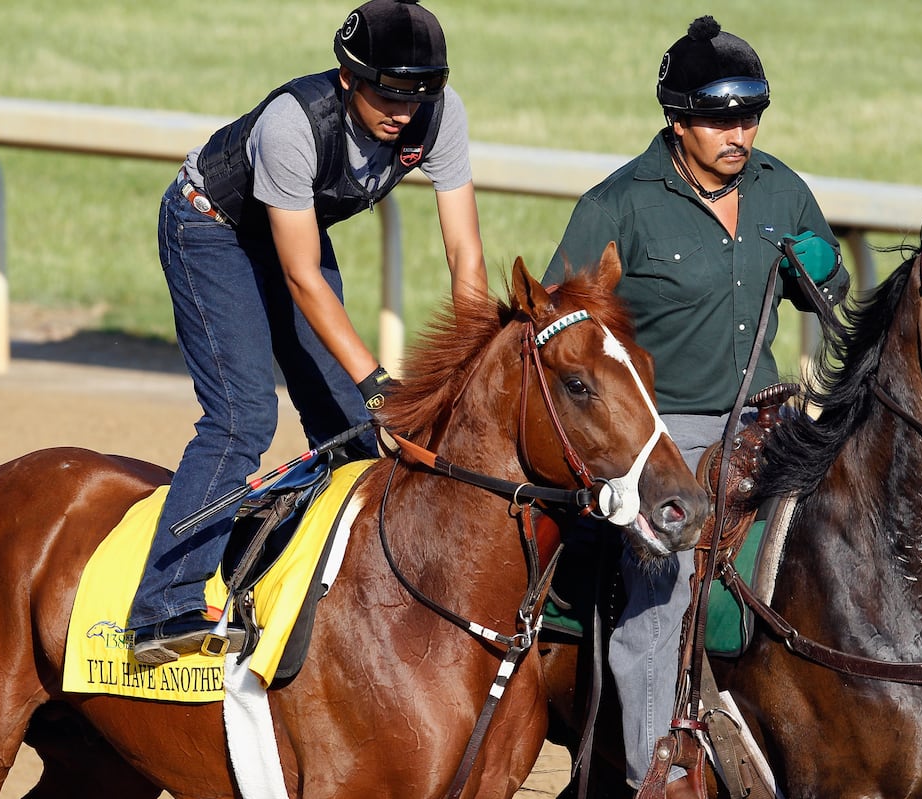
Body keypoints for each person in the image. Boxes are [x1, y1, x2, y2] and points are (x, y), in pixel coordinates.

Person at [542, 16, 849, 797]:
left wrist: (824, 271)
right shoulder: (617, 204)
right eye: (720, 119)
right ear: (677, 120)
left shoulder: (782, 188)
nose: (739, 132)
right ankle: (655, 772)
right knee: (663, 591)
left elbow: (832, 292)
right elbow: (561, 329)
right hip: (660, 432)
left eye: (750, 116)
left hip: (770, 420)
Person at [129, 0, 487, 665]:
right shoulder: (294, 123)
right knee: (243, 417)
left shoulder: (445, 114)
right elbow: (301, 278)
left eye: (419, 95)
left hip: (294, 226)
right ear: (348, 77)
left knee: (349, 427)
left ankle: (352, 597)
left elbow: (465, 252)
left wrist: (471, 356)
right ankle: (162, 606)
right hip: (211, 228)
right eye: (388, 94)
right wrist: (379, 383)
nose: (404, 112)